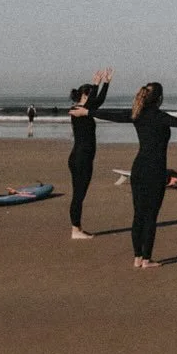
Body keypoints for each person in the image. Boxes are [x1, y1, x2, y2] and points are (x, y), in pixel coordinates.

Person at [72, 82, 177, 268]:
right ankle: (147, 259)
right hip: (155, 171)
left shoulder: (137, 114)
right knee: (150, 216)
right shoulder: (159, 116)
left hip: (138, 169)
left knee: (138, 215)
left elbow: (114, 116)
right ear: (160, 99)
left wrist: (88, 112)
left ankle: (137, 257)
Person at [67, 67, 114, 239]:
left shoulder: (82, 110)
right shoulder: (77, 111)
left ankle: (77, 228)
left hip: (79, 157)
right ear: (84, 96)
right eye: (89, 95)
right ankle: (76, 230)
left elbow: (95, 102)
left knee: (79, 194)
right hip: (81, 158)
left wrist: (100, 83)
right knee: (79, 195)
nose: (92, 99)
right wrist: (102, 83)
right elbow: (98, 100)